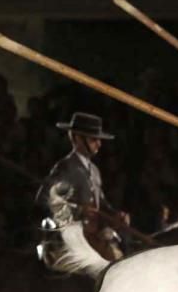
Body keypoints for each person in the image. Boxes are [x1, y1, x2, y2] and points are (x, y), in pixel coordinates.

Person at [35, 112, 129, 263]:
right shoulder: (66, 167)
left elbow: (101, 203)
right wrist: (78, 210)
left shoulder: (95, 170)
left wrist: (115, 214)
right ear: (78, 138)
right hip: (74, 237)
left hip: (94, 235)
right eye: (93, 139)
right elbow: (44, 199)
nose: (99, 144)